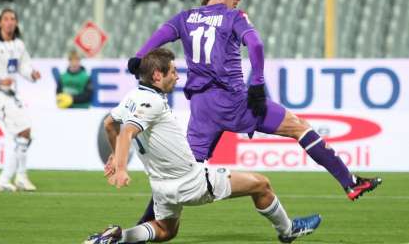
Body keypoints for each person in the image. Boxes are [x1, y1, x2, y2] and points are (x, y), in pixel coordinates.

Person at [127, 0, 381, 223]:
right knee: (299, 127)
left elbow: (159, 37)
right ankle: (349, 182)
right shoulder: (233, 16)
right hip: (235, 102)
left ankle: (140, 229)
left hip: (203, 108)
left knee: (183, 171)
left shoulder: (184, 18)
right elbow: (256, 44)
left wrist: (138, 58)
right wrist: (258, 81)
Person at [85, 48, 321, 244]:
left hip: (161, 185)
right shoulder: (152, 102)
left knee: (166, 231)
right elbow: (126, 131)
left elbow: (109, 124)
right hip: (191, 181)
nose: (177, 77)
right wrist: (122, 167)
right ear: (157, 75)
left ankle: (117, 237)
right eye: (173, 71)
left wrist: (116, 157)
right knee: (261, 184)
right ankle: (288, 230)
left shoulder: (132, 96)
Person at [0, 8, 41, 192]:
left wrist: (32, 74)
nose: (10, 22)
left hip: (13, 95)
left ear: (16, 23)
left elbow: (24, 66)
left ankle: (20, 177)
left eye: (13, 19)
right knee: (24, 132)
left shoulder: (18, 45)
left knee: (25, 136)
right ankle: (5, 179)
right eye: (6, 19)